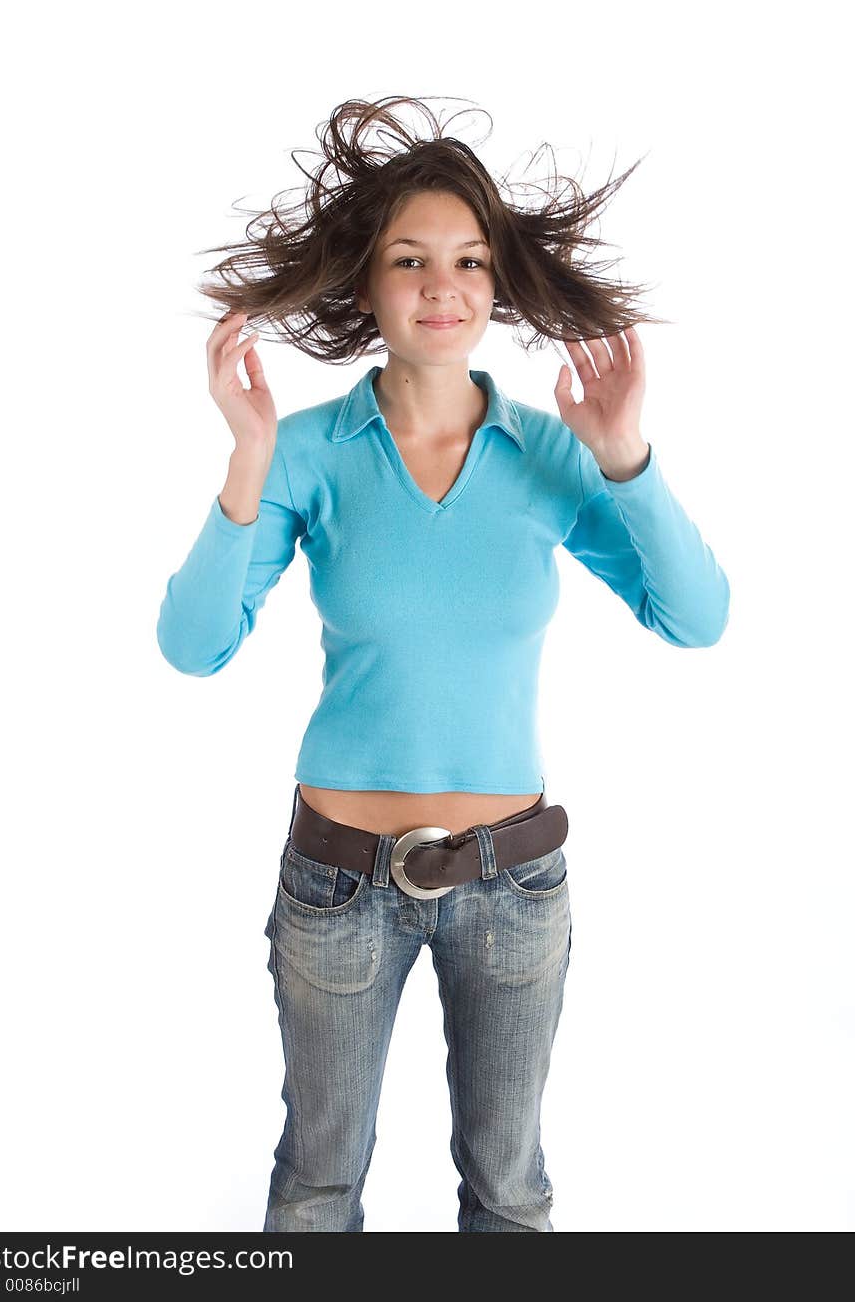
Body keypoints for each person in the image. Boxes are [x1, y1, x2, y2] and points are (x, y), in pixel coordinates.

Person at [156, 96, 730, 1232]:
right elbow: (193, 645)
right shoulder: (309, 451)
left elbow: (695, 617)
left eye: (468, 261)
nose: (441, 285)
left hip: (514, 888)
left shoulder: (550, 451)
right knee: (317, 1186)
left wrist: (626, 460)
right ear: (365, 285)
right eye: (409, 259)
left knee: (510, 1194)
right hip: (336, 886)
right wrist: (247, 458)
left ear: (496, 284)